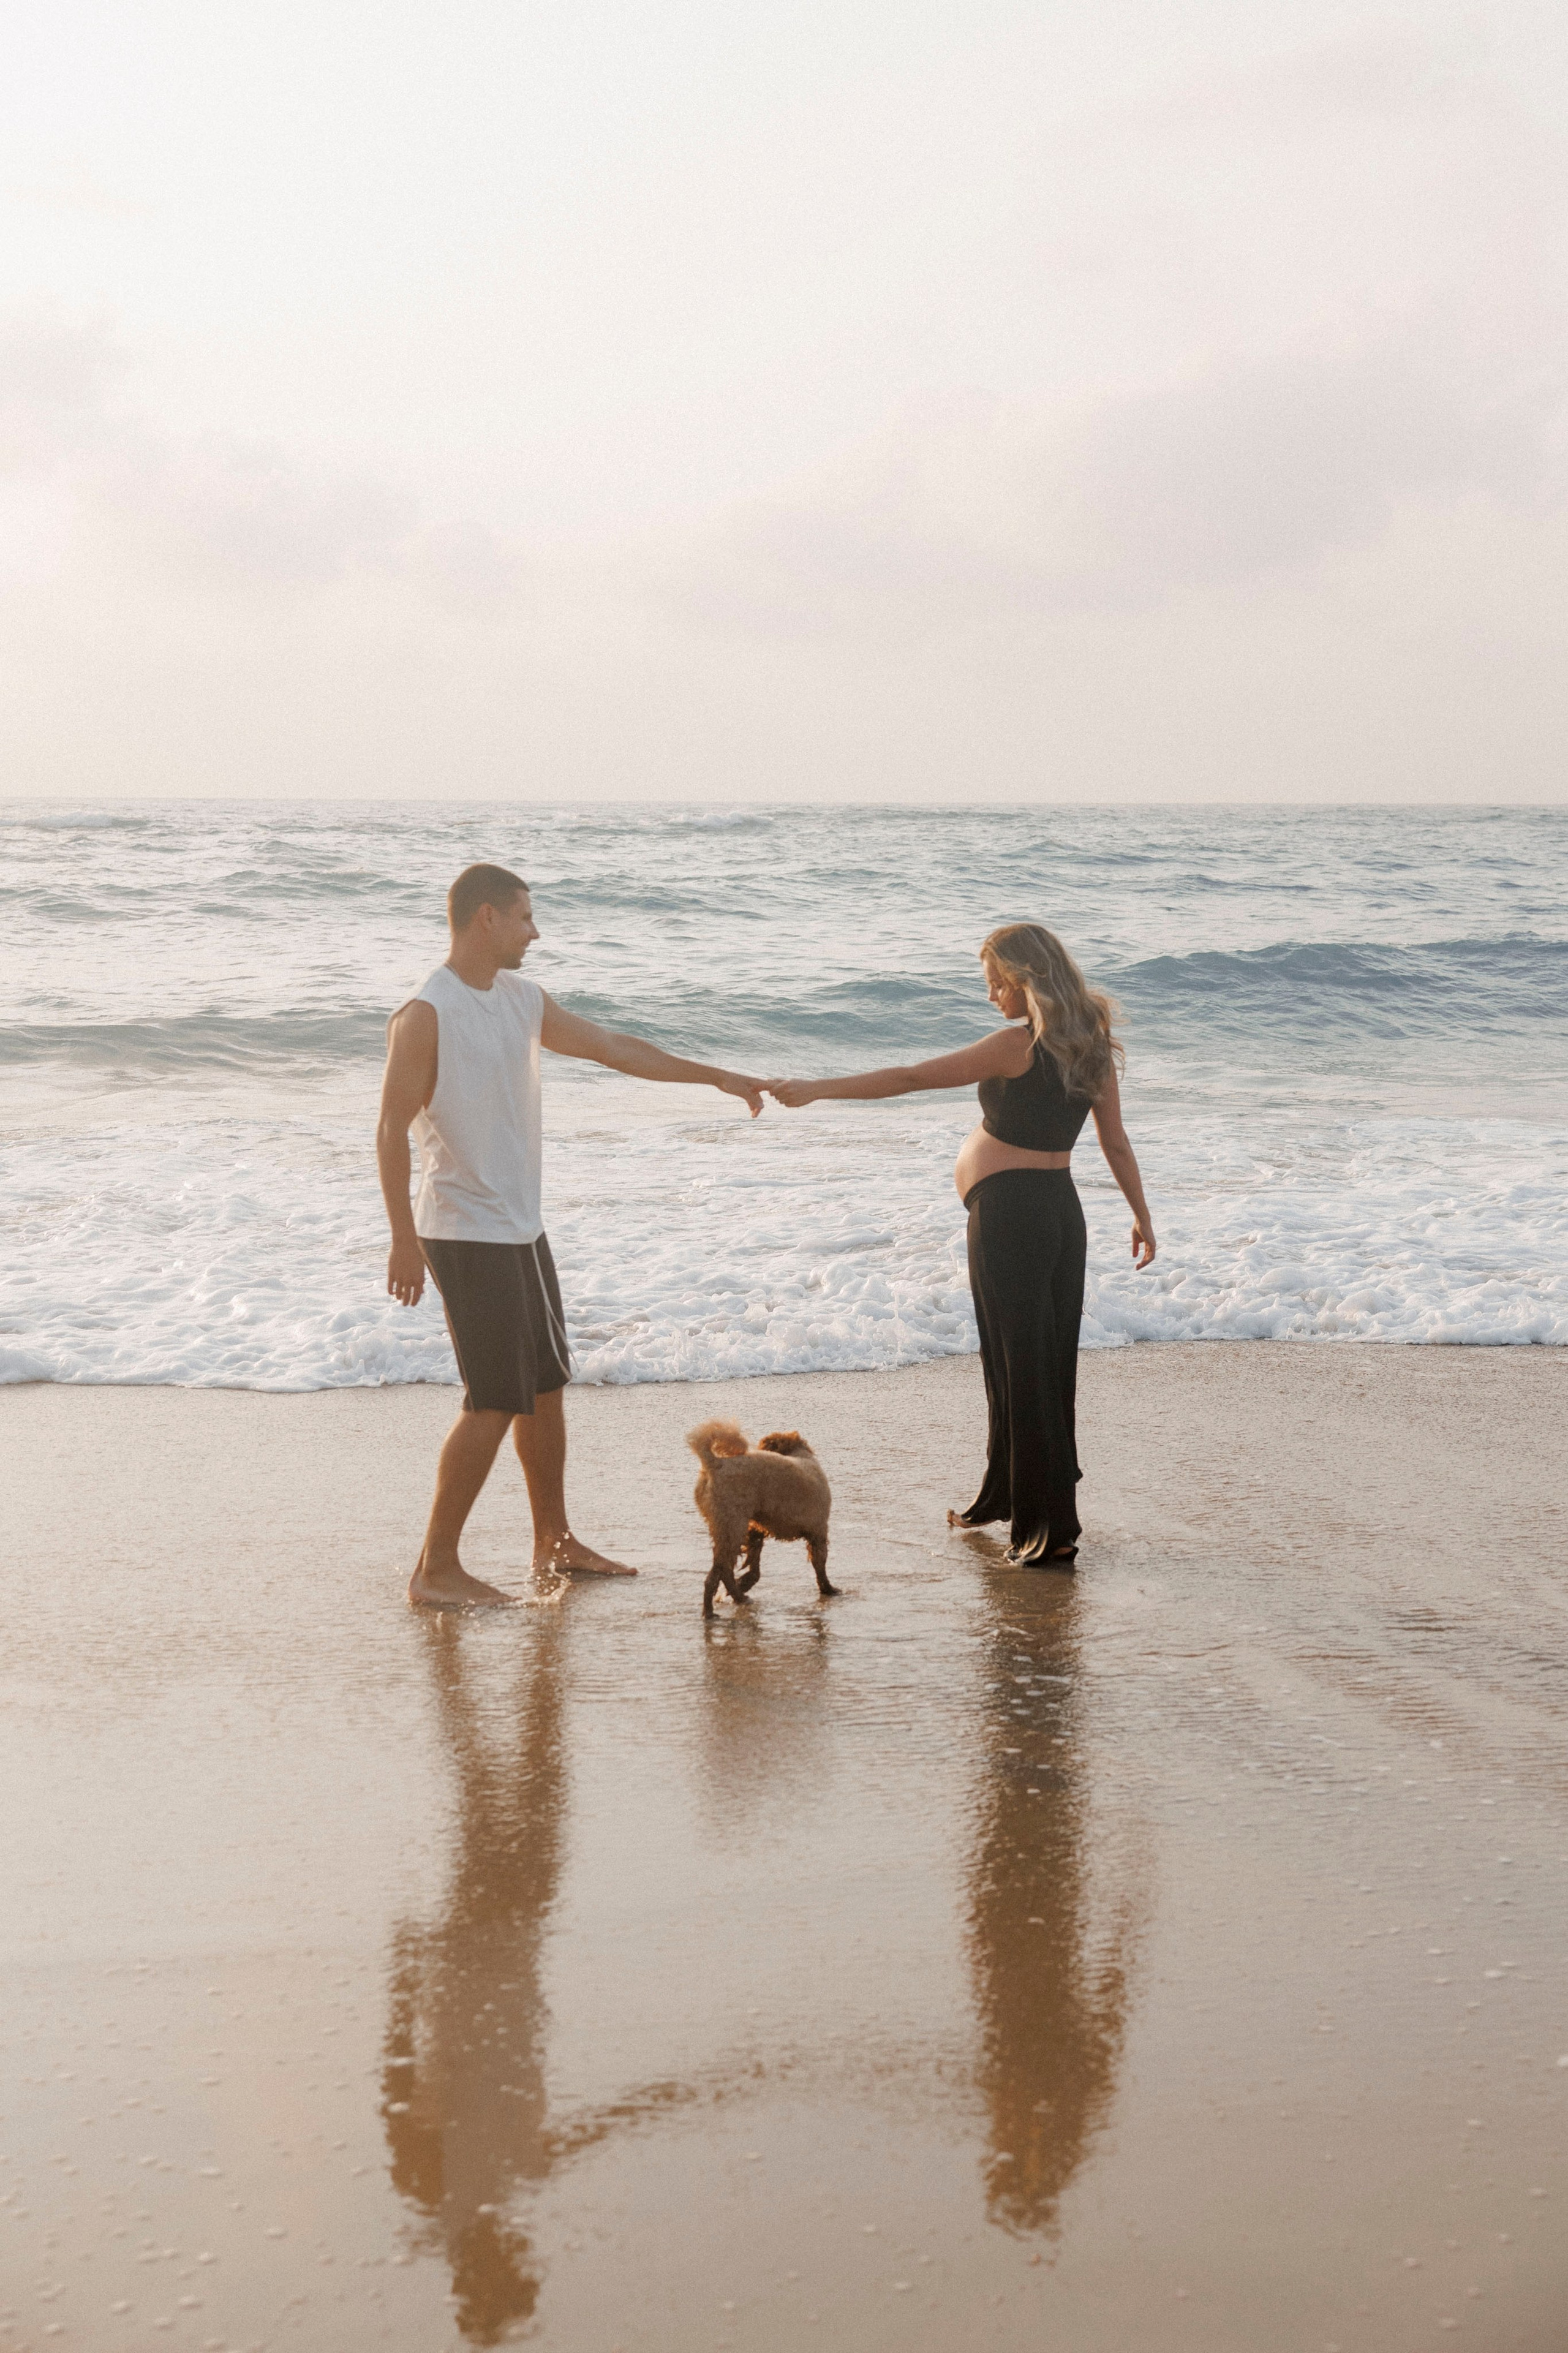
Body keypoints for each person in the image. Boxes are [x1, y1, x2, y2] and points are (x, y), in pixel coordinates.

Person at [378, 862, 764, 1607]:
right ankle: (434, 1567)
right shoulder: (425, 1013)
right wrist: (401, 1238)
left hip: (520, 1226)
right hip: (463, 1230)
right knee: (492, 1398)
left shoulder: (522, 999)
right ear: (485, 917)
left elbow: (614, 1047)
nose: (536, 930)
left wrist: (716, 1076)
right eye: (525, 916)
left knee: (547, 1386)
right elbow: (390, 1129)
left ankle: (552, 1538)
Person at [767, 922, 1154, 1566]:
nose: (991, 995)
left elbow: (912, 1077)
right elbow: (1114, 1141)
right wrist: (1141, 1214)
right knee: (1039, 1367)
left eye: (996, 983)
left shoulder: (1015, 1046)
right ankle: (1014, 1502)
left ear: (1024, 979)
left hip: (1011, 1218)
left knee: (1019, 1367)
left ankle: (1045, 1530)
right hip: (1061, 1214)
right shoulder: (1092, 1046)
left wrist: (817, 1089)